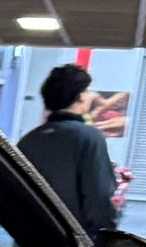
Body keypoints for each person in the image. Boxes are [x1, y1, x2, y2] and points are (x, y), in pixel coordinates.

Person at [16, 62, 120, 233]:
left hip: (30, 239)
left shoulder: (29, 140)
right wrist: (108, 238)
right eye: (87, 91)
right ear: (80, 96)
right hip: (73, 244)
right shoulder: (89, 138)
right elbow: (99, 196)